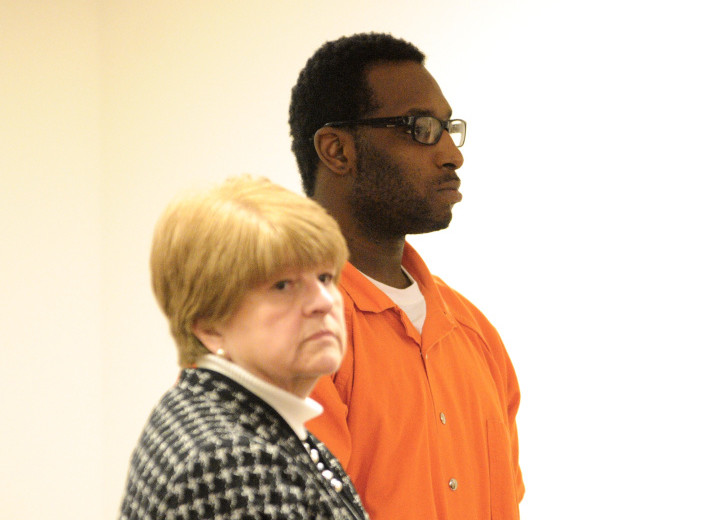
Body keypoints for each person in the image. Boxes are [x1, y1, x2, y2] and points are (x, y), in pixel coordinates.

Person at [289, 33, 524, 519]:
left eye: (447, 128)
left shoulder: (474, 334)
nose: (451, 155)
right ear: (337, 150)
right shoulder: (288, 331)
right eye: (420, 128)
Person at [118, 176, 368, 520]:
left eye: (325, 277)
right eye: (283, 285)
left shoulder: (231, 415)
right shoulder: (230, 460)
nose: (323, 302)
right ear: (209, 325)